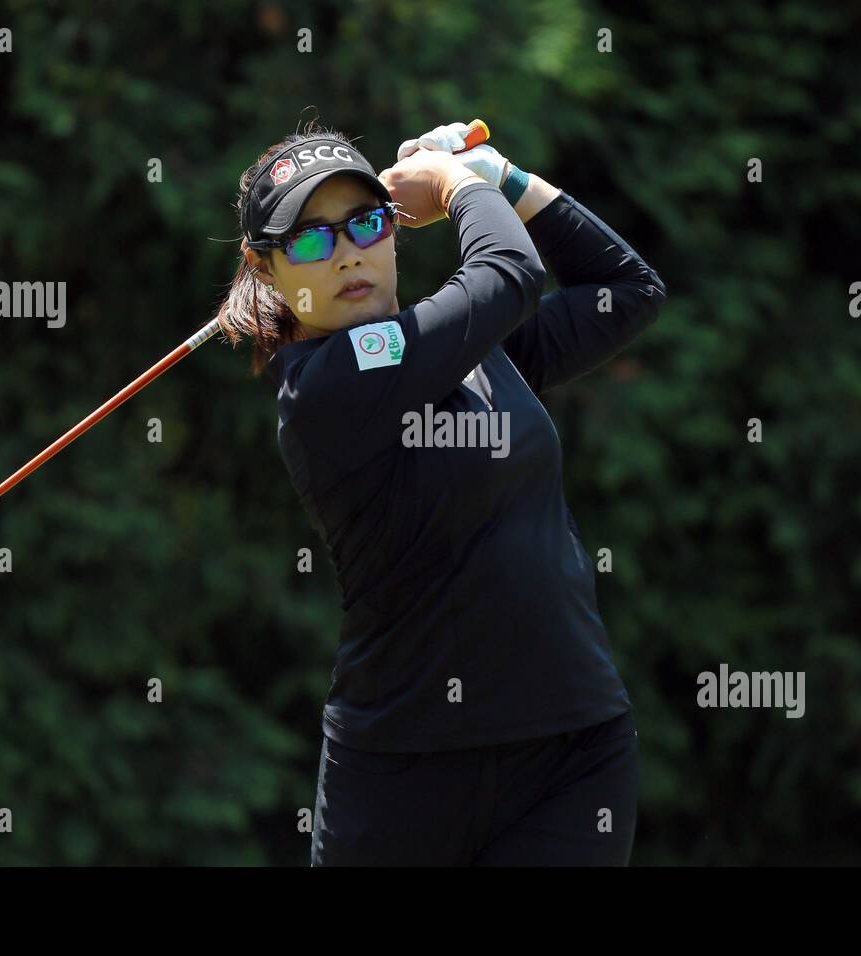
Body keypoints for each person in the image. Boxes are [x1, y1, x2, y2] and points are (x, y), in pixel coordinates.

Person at [215, 119, 667, 865]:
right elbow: (508, 274)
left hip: (569, 758)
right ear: (265, 268)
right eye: (309, 239)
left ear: (392, 229)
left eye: (365, 222)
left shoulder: (463, 349)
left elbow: (626, 290)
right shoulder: (322, 389)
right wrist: (460, 185)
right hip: (401, 782)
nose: (347, 254)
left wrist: (508, 177)